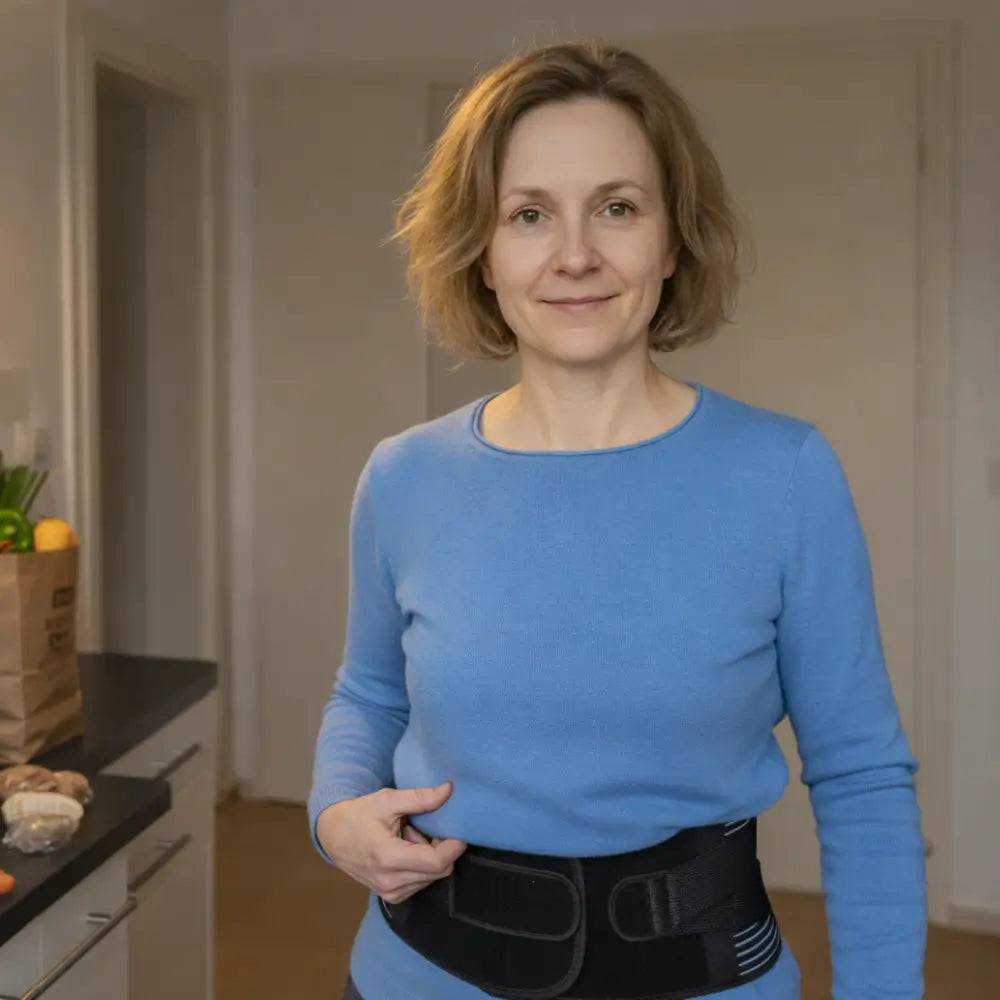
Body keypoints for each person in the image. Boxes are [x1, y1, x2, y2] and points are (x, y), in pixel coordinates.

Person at [309, 39, 926, 1000]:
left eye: (618, 207)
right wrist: (334, 809)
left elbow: (860, 776)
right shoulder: (404, 479)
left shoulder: (784, 475)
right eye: (529, 214)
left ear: (673, 241)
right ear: (481, 253)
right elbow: (369, 693)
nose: (576, 255)